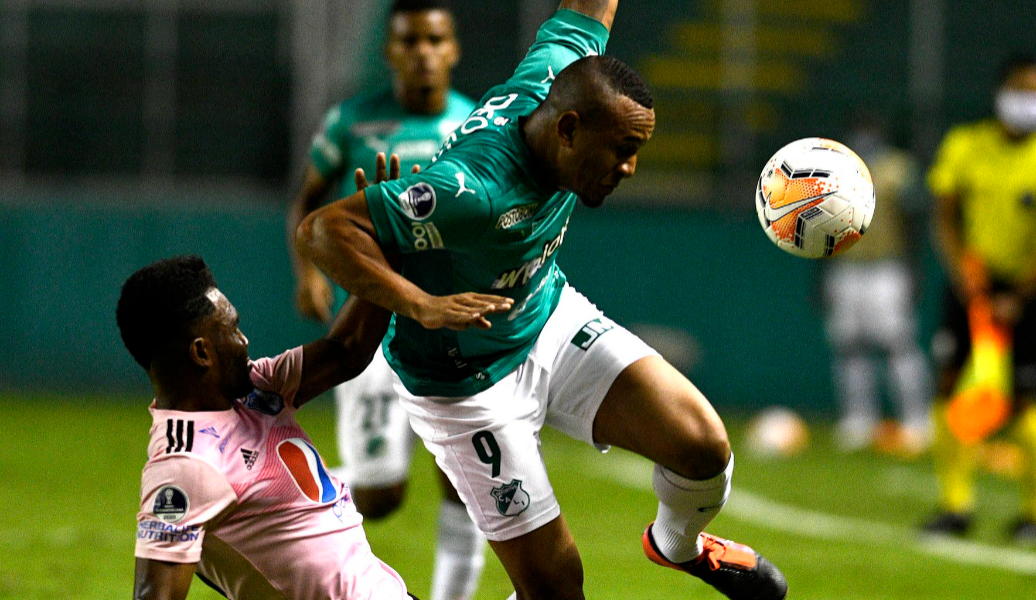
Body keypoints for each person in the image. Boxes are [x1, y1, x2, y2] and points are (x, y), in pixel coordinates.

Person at [296, 1, 788, 599]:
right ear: (568, 130)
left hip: (545, 316)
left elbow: (588, 7)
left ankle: (676, 546)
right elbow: (323, 229)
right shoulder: (474, 191)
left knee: (703, 447)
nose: (629, 167)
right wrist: (419, 302)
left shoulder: (561, 66)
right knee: (556, 589)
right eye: (621, 149)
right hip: (462, 383)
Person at [286, 1, 485, 598]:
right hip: (375, 324)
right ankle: (271, 492)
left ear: (454, 49)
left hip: (454, 326)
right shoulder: (351, 122)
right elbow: (308, 200)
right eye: (410, 41)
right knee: (380, 493)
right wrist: (309, 272)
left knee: (467, 482)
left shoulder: (476, 125)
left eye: (435, 40)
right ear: (390, 52)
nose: (423, 53)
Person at [120, 250, 415, 598]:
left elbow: (346, 350)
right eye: (232, 329)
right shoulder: (186, 465)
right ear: (202, 353)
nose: (244, 341)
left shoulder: (255, 387)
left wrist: (390, 249)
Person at [923, 55, 1036, 544]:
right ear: (1001, 92)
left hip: (1026, 291)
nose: (1030, 100)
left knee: (1024, 400)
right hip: (972, 284)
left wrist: (1019, 295)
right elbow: (944, 214)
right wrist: (963, 273)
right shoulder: (965, 145)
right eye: (1022, 89)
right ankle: (956, 505)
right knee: (949, 385)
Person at [825, 114, 932, 454]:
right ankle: (858, 420)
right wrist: (822, 275)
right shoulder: (834, 169)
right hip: (846, 266)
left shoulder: (898, 169)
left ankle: (916, 420)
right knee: (849, 347)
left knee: (898, 344)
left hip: (888, 267)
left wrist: (913, 269)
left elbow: (914, 222)